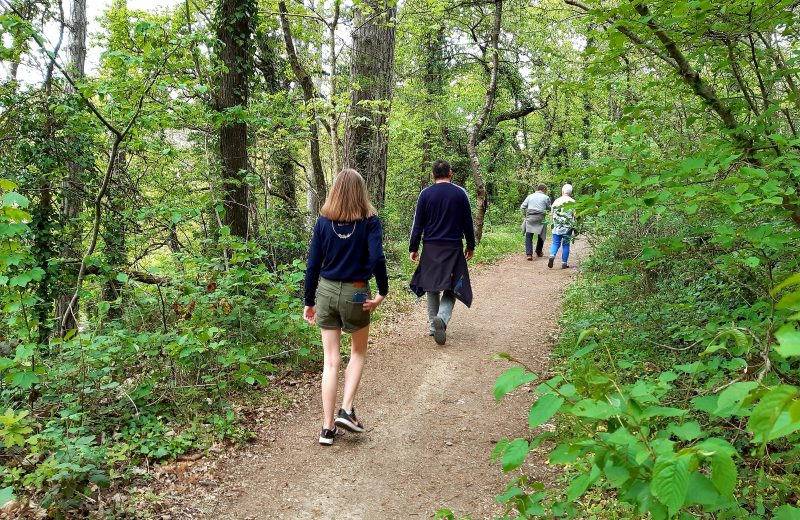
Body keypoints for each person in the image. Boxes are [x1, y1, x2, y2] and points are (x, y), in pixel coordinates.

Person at [303, 169, 388, 446]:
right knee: (358, 351)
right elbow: (377, 258)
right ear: (361, 192)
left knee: (330, 361)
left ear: (335, 191)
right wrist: (382, 292)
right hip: (356, 291)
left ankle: (327, 429)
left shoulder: (323, 222)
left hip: (326, 291)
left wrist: (309, 301)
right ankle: (347, 409)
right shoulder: (370, 221)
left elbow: (313, 264)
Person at [409, 159, 475, 346]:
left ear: (432, 175)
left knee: (431, 286)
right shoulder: (460, 194)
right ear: (450, 173)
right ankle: (442, 318)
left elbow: (418, 224)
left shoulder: (425, 194)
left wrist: (413, 248)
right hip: (453, 247)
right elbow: (467, 222)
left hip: (431, 247)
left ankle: (433, 326)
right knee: (453, 285)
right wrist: (471, 245)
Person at [548, 183, 577, 269]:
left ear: (562, 191)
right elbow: (575, 215)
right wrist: (576, 227)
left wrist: (552, 224)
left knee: (556, 243)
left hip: (556, 225)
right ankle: (564, 263)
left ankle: (552, 255)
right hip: (568, 226)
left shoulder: (556, 201)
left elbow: (551, 214)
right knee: (566, 244)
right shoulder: (573, 202)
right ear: (571, 192)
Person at [519, 183, 552, 260]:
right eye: (546, 190)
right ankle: (538, 251)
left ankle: (529, 254)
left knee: (529, 235)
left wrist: (525, 215)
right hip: (540, 217)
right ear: (544, 189)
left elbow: (522, 207)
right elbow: (549, 208)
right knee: (541, 234)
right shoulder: (546, 197)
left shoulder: (530, 196)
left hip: (530, 217)